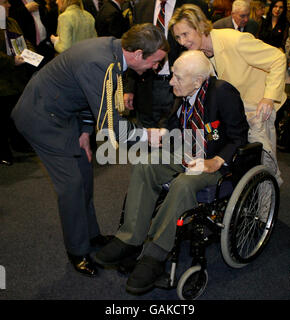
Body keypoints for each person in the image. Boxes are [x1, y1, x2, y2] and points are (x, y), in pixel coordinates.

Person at [11, 23, 169, 277]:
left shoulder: (114, 53)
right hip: (40, 118)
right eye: (156, 62)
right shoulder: (100, 63)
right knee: (71, 185)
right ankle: (77, 250)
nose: (156, 68)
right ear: (139, 54)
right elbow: (111, 126)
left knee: (84, 173)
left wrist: (85, 131)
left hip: (64, 112)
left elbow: (90, 96)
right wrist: (145, 136)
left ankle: (92, 235)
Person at [94, 50, 249, 295]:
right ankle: (130, 238)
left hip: (214, 162)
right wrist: (161, 134)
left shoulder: (223, 93)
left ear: (197, 81)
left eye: (176, 77)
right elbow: (172, 123)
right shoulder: (182, 92)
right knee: (146, 165)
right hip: (185, 151)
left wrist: (217, 161)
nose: (170, 81)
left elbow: (239, 136)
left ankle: (155, 254)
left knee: (184, 185)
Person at [169, 3, 286, 186]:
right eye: (178, 37)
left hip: (256, 110)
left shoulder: (235, 41)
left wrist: (269, 97)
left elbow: (278, 58)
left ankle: (266, 209)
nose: (182, 42)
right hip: (233, 113)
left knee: (265, 168)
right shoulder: (200, 54)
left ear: (200, 26)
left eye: (186, 34)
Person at [123, 0, 210, 129]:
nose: (182, 41)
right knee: (147, 137)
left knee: (176, 134)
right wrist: (129, 88)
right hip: (146, 85)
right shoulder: (142, 7)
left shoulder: (193, 4)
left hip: (180, 85)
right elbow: (134, 48)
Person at [0, 0, 35, 166]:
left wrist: (30, 54)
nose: (8, 5)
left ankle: (19, 144)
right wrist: (12, 61)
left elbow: (23, 40)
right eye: (4, 2)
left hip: (17, 78)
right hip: (3, 79)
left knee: (17, 114)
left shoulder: (11, 22)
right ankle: (4, 152)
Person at [9, 0, 55, 66]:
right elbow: (10, 20)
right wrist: (25, 9)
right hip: (29, 46)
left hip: (45, 43)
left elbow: (45, 19)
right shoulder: (13, 3)